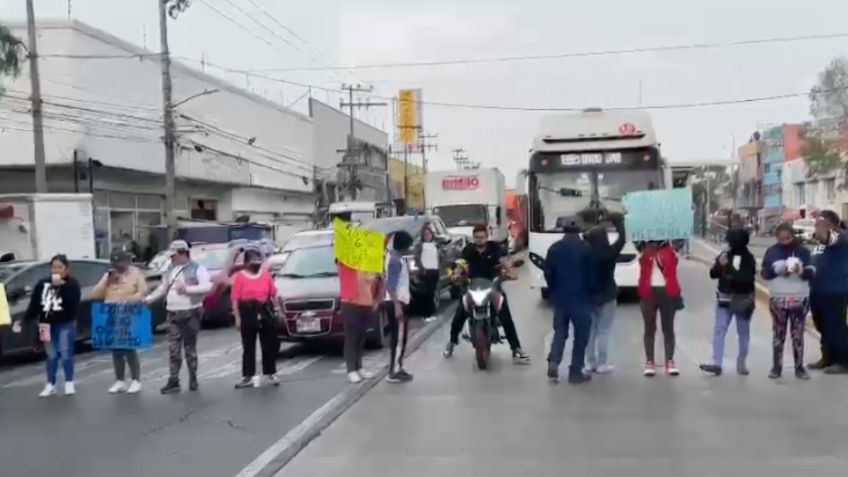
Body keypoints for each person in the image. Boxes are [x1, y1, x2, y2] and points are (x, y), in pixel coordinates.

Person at [443, 225, 530, 363]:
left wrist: (511, 272)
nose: (479, 240)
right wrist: (457, 274)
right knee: (460, 312)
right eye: (477, 237)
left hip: (492, 286)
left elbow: (503, 262)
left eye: (482, 237)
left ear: (487, 236)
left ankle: (516, 348)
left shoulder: (495, 248)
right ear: (473, 238)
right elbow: (461, 265)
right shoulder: (468, 250)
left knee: (505, 315)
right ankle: (452, 343)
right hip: (473, 286)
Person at [144, 240, 213, 393]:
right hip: (172, 312)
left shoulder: (197, 268)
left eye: (174, 256)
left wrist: (187, 289)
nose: (171, 259)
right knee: (173, 349)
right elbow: (163, 287)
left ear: (183, 253)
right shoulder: (170, 268)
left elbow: (207, 286)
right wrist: (148, 299)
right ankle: (173, 380)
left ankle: (193, 378)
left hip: (190, 312)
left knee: (189, 348)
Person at [14, 255, 81, 397]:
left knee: (66, 352)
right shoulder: (42, 283)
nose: (56, 270)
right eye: (53, 267)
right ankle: (50, 384)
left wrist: (61, 287)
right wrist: (24, 320)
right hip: (46, 324)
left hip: (65, 323)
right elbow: (35, 304)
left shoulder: (72, 284)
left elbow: (72, 304)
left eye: (59, 267)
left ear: (66, 269)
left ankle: (69, 382)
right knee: (50, 355)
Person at [545, 217, 596, 384]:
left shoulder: (554, 248)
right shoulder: (586, 248)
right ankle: (575, 371)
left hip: (560, 298)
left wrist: (553, 290)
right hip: (580, 299)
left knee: (560, 331)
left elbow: (548, 273)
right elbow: (591, 275)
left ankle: (554, 361)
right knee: (581, 336)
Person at [699, 228, 756, 376]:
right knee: (720, 329)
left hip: (741, 299)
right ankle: (717, 363)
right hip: (724, 297)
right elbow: (713, 274)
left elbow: (744, 279)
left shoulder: (747, 258)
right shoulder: (726, 255)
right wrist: (719, 265)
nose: (728, 243)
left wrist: (726, 267)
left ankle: (741, 362)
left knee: (743, 332)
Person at [91, 251, 148, 394]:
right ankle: (120, 380)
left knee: (129, 348)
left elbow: (143, 292)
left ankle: (135, 380)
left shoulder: (136, 274)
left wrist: (128, 299)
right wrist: (107, 282)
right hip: (111, 313)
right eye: (115, 263)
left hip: (129, 313)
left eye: (120, 263)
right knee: (116, 349)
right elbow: (95, 294)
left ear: (127, 262)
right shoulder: (109, 275)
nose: (118, 266)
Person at [761, 222, 814, 379]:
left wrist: (801, 270)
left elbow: (812, 272)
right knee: (779, 334)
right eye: (781, 238)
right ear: (777, 237)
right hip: (778, 297)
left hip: (800, 298)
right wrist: (777, 270)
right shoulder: (772, 251)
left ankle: (799, 368)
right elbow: (764, 273)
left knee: (797, 334)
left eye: (788, 237)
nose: (785, 241)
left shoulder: (803, 251)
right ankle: (776, 367)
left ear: (792, 235)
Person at [231, 247, 281, 389]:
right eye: (253, 262)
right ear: (246, 263)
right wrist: (237, 318)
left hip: (265, 309)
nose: (256, 264)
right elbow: (235, 299)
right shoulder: (240, 277)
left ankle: (271, 373)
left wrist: (277, 309)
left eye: (258, 262)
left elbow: (274, 293)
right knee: (248, 346)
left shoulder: (265, 275)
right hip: (247, 311)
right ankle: (247, 376)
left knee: (268, 344)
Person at [583, 215, 626, 374]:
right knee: (603, 331)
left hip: (589, 296)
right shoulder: (609, 253)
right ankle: (602, 364)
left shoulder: (585, 254)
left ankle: (589, 363)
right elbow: (622, 239)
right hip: (608, 296)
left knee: (591, 331)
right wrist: (618, 222)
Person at [808, 210, 848, 374]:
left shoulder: (841, 237)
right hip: (818, 290)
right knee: (822, 326)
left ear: (830, 224)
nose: (816, 225)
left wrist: (822, 229)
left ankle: (843, 361)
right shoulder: (820, 242)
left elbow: (829, 238)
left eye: (820, 222)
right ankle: (827, 357)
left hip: (835, 291)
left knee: (836, 327)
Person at [637, 241, 682, 377]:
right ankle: (649, 361)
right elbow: (642, 262)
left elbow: (674, 263)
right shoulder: (644, 249)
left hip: (668, 292)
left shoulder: (670, 250)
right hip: (648, 292)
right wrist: (647, 247)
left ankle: (670, 361)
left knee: (668, 328)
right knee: (649, 328)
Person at [338, 252, 383, 384]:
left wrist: (375, 301)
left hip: (366, 304)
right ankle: (351, 370)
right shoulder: (346, 264)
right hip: (350, 304)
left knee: (361, 337)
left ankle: (359, 367)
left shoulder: (369, 265)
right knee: (351, 337)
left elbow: (374, 283)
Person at [384, 231, 415, 383]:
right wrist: (397, 306)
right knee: (398, 339)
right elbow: (390, 286)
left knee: (400, 338)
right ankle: (394, 371)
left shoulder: (398, 259)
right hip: (396, 302)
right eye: (409, 245)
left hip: (400, 301)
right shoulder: (395, 261)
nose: (410, 248)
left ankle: (398, 366)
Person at [413, 226, 441, 317]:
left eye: (429, 234)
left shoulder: (435, 245)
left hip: (435, 271)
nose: (427, 236)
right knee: (426, 294)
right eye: (425, 234)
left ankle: (430, 313)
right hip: (426, 271)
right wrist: (422, 269)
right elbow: (416, 258)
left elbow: (438, 257)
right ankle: (426, 314)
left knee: (432, 293)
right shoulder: (421, 245)